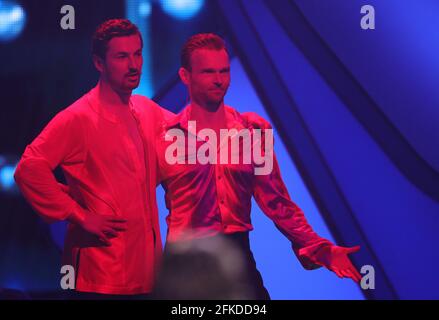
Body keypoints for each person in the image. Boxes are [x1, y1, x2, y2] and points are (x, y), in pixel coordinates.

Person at [153, 33, 362, 299]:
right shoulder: (166, 136)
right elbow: (136, 201)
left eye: (224, 71)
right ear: (185, 76)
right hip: (183, 260)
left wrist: (319, 248)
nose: (219, 80)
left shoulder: (253, 132)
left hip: (237, 254)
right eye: (208, 72)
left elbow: (276, 202)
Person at [14, 19, 169, 299]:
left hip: (145, 274)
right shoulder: (78, 118)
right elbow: (28, 169)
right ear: (99, 63)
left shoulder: (146, 110)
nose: (134, 65)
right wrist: (79, 214)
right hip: (99, 276)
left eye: (137, 53)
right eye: (122, 56)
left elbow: (190, 131)